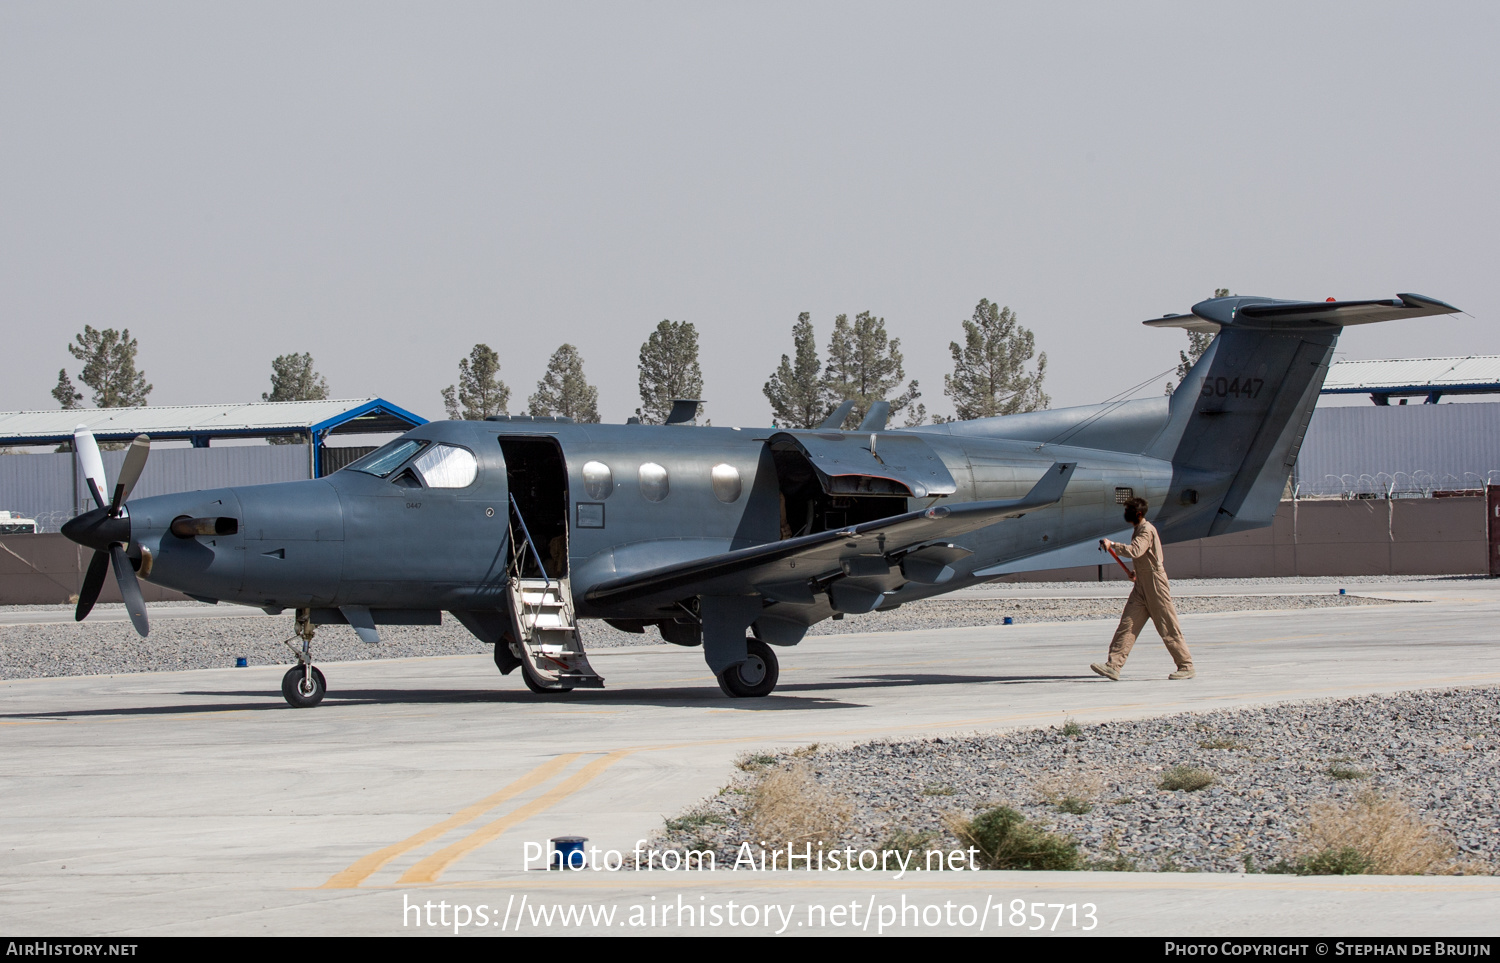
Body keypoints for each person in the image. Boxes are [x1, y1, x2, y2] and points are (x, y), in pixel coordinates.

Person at [1091, 496, 1195, 681]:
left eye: (1128, 511)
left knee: (1167, 626)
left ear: (1138, 513)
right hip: (1142, 585)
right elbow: (1142, 557)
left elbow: (1135, 551)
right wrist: (1136, 572)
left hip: (1155, 584)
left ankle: (1186, 666)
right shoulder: (1139, 529)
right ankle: (1113, 666)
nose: (1125, 514)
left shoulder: (1146, 530)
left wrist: (1113, 545)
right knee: (1127, 625)